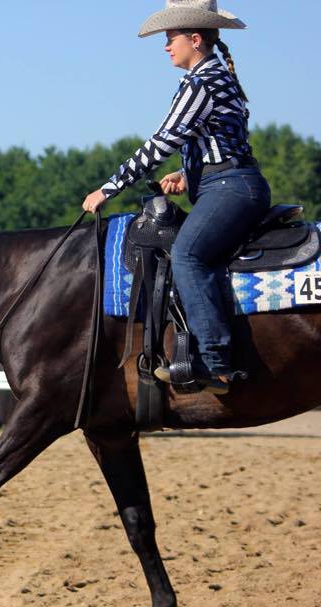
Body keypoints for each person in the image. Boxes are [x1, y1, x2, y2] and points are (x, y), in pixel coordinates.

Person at [82, 0, 269, 395]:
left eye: (171, 40)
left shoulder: (199, 84)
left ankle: (213, 362)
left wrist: (108, 188)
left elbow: (160, 143)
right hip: (231, 184)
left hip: (230, 188)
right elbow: (226, 140)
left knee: (187, 254)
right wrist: (190, 173)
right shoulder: (217, 76)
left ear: (195, 40)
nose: (166, 47)